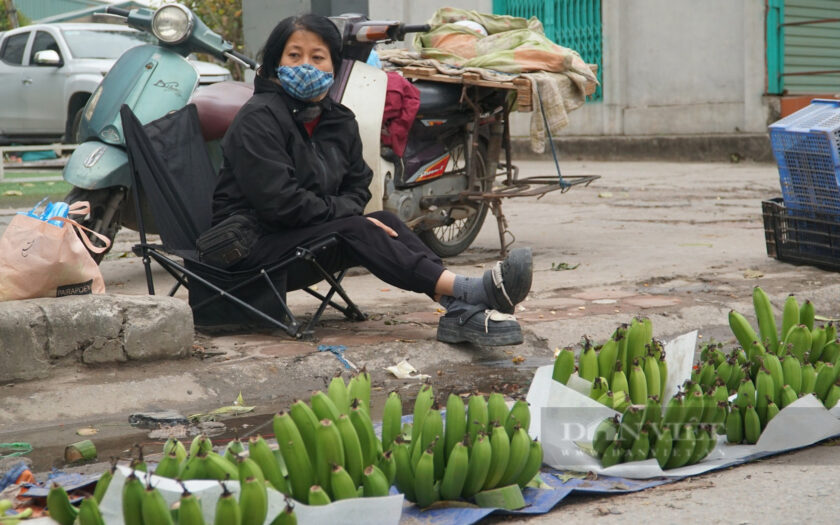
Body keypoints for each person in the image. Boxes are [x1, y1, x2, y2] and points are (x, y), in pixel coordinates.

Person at [211, 14, 533, 346]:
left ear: (333, 67)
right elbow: (281, 204)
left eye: (317, 57)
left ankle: (457, 307)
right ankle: (473, 290)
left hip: (300, 238)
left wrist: (349, 217)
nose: (305, 65)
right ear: (275, 63)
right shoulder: (257, 119)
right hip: (246, 250)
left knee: (381, 219)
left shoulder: (338, 120)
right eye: (294, 55)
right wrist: (347, 219)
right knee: (360, 226)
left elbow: (358, 185)